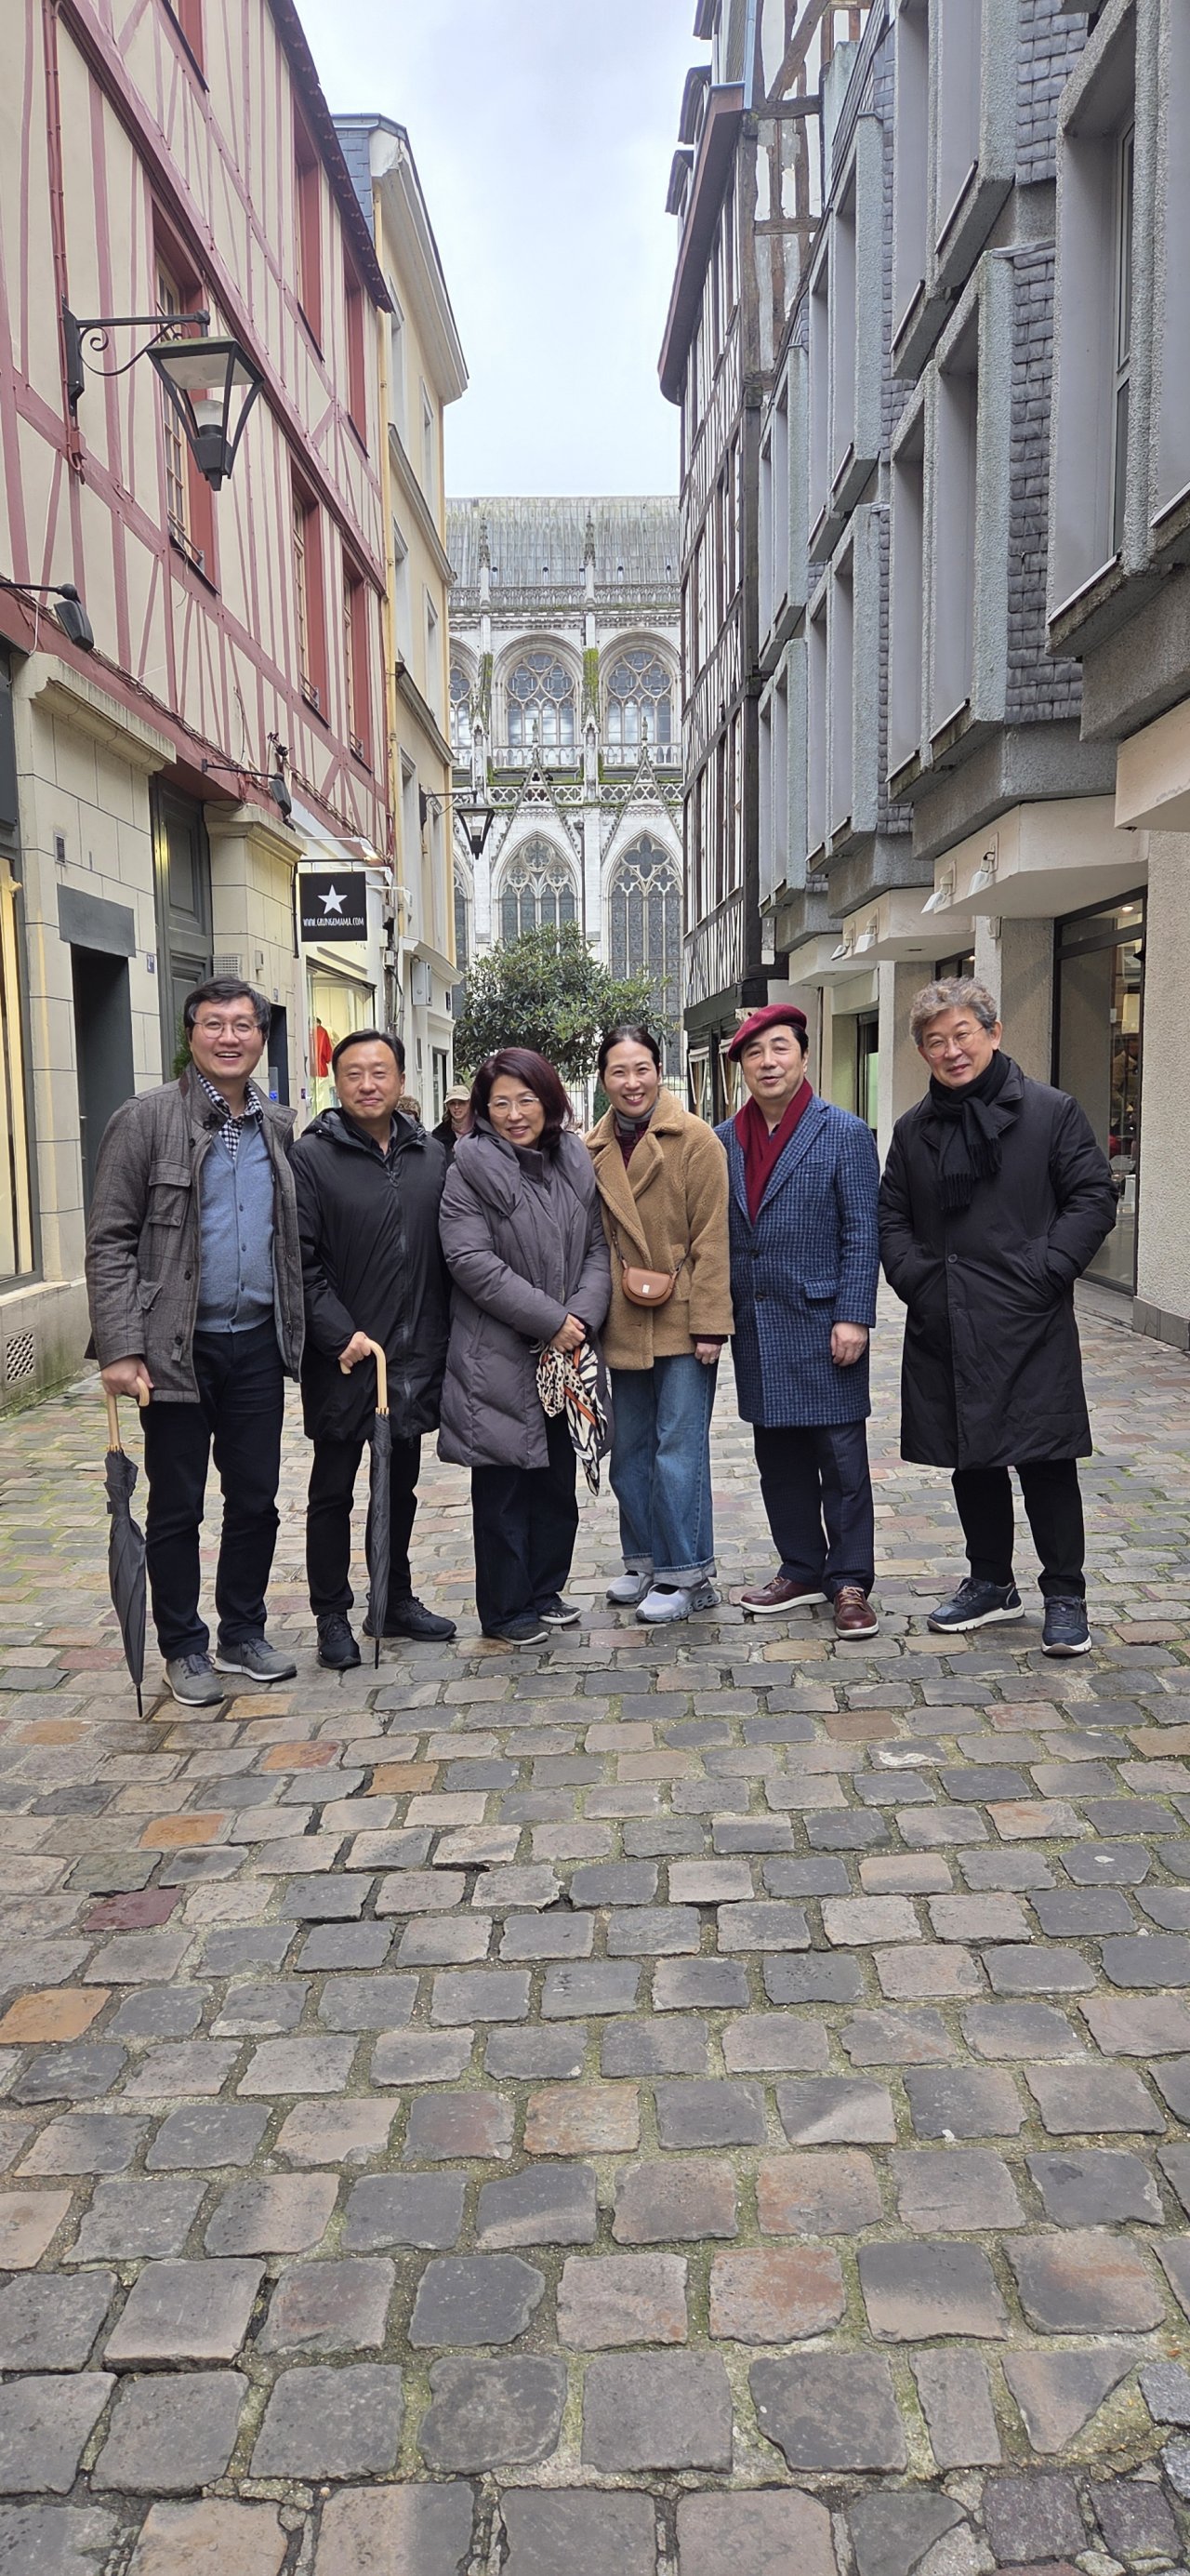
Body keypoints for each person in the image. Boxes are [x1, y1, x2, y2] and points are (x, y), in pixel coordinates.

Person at [879, 976, 1117, 1655]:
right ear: (923, 1052)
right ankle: (991, 1583)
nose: (952, 1051)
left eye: (963, 1034)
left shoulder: (1049, 1111)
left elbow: (1092, 1197)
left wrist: (1046, 1270)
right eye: (935, 1041)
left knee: (1046, 1460)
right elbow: (891, 1215)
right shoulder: (915, 1129)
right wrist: (920, 1283)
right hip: (948, 1317)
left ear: (993, 1033)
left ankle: (1065, 1595)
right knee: (972, 1459)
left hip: (1029, 1318)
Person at [85, 976, 303, 1706]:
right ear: (191, 1035)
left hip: (256, 1344)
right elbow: (110, 1240)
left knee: (257, 1498)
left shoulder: (278, 1125)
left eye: (244, 1025)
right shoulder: (144, 1119)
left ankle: (243, 1631)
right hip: (173, 1350)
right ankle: (183, 1647)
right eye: (214, 1023)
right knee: (177, 1506)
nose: (229, 1037)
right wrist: (121, 1347)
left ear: (261, 1037)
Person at [289, 1029, 456, 1670]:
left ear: (401, 1080)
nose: (367, 1084)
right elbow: (299, 1262)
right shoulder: (311, 1157)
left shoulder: (431, 1156)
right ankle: (331, 1613)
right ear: (337, 1083)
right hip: (345, 1355)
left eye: (380, 1072)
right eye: (353, 1073)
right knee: (333, 1490)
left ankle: (393, 1598)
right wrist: (339, 1333)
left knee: (399, 1486)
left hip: (410, 1355)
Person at [717, 1003, 881, 1639]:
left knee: (841, 1462)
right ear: (742, 1067)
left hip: (823, 1321)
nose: (768, 1062)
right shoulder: (724, 1140)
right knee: (778, 1458)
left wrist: (854, 1315)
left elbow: (862, 1232)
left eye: (780, 1048)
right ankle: (801, 1568)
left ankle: (850, 1581)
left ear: (804, 1056)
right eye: (754, 1053)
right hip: (758, 1322)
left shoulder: (843, 1132)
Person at [438, 1048, 611, 1644]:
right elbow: (471, 1261)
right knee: (504, 1487)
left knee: (556, 1481)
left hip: (565, 1354)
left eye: (527, 1100)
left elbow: (598, 1249)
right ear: (484, 1110)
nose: (515, 1114)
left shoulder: (574, 1160)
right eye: (501, 1103)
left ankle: (544, 1589)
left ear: (549, 1101)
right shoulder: (468, 1169)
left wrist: (579, 1319)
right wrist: (551, 1320)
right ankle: (507, 1609)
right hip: (497, 1353)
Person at [586, 1023, 733, 1622]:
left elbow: (713, 1239)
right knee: (630, 1450)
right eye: (618, 1071)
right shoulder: (591, 1148)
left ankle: (687, 1573)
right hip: (621, 1318)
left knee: (679, 1449)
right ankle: (644, 1558)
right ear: (603, 1079)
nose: (632, 1082)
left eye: (641, 1068)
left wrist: (710, 1325)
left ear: (659, 1070)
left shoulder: (695, 1139)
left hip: (683, 1317)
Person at [433, 1083, 471, 1163]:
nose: (456, 1107)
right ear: (447, 1106)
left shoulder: (482, 1130)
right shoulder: (438, 1135)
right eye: (452, 1103)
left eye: (461, 1102)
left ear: (469, 1104)